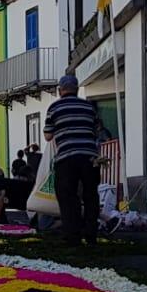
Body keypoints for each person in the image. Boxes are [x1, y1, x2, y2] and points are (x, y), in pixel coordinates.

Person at [45, 73, 103, 245]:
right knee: (91, 195)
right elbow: (97, 129)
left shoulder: (54, 108)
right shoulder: (89, 107)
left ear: (60, 90)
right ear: (77, 90)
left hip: (66, 158)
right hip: (90, 157)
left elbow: (48, 135)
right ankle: (91, 235)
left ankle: (73, 235)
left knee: (68, 196)